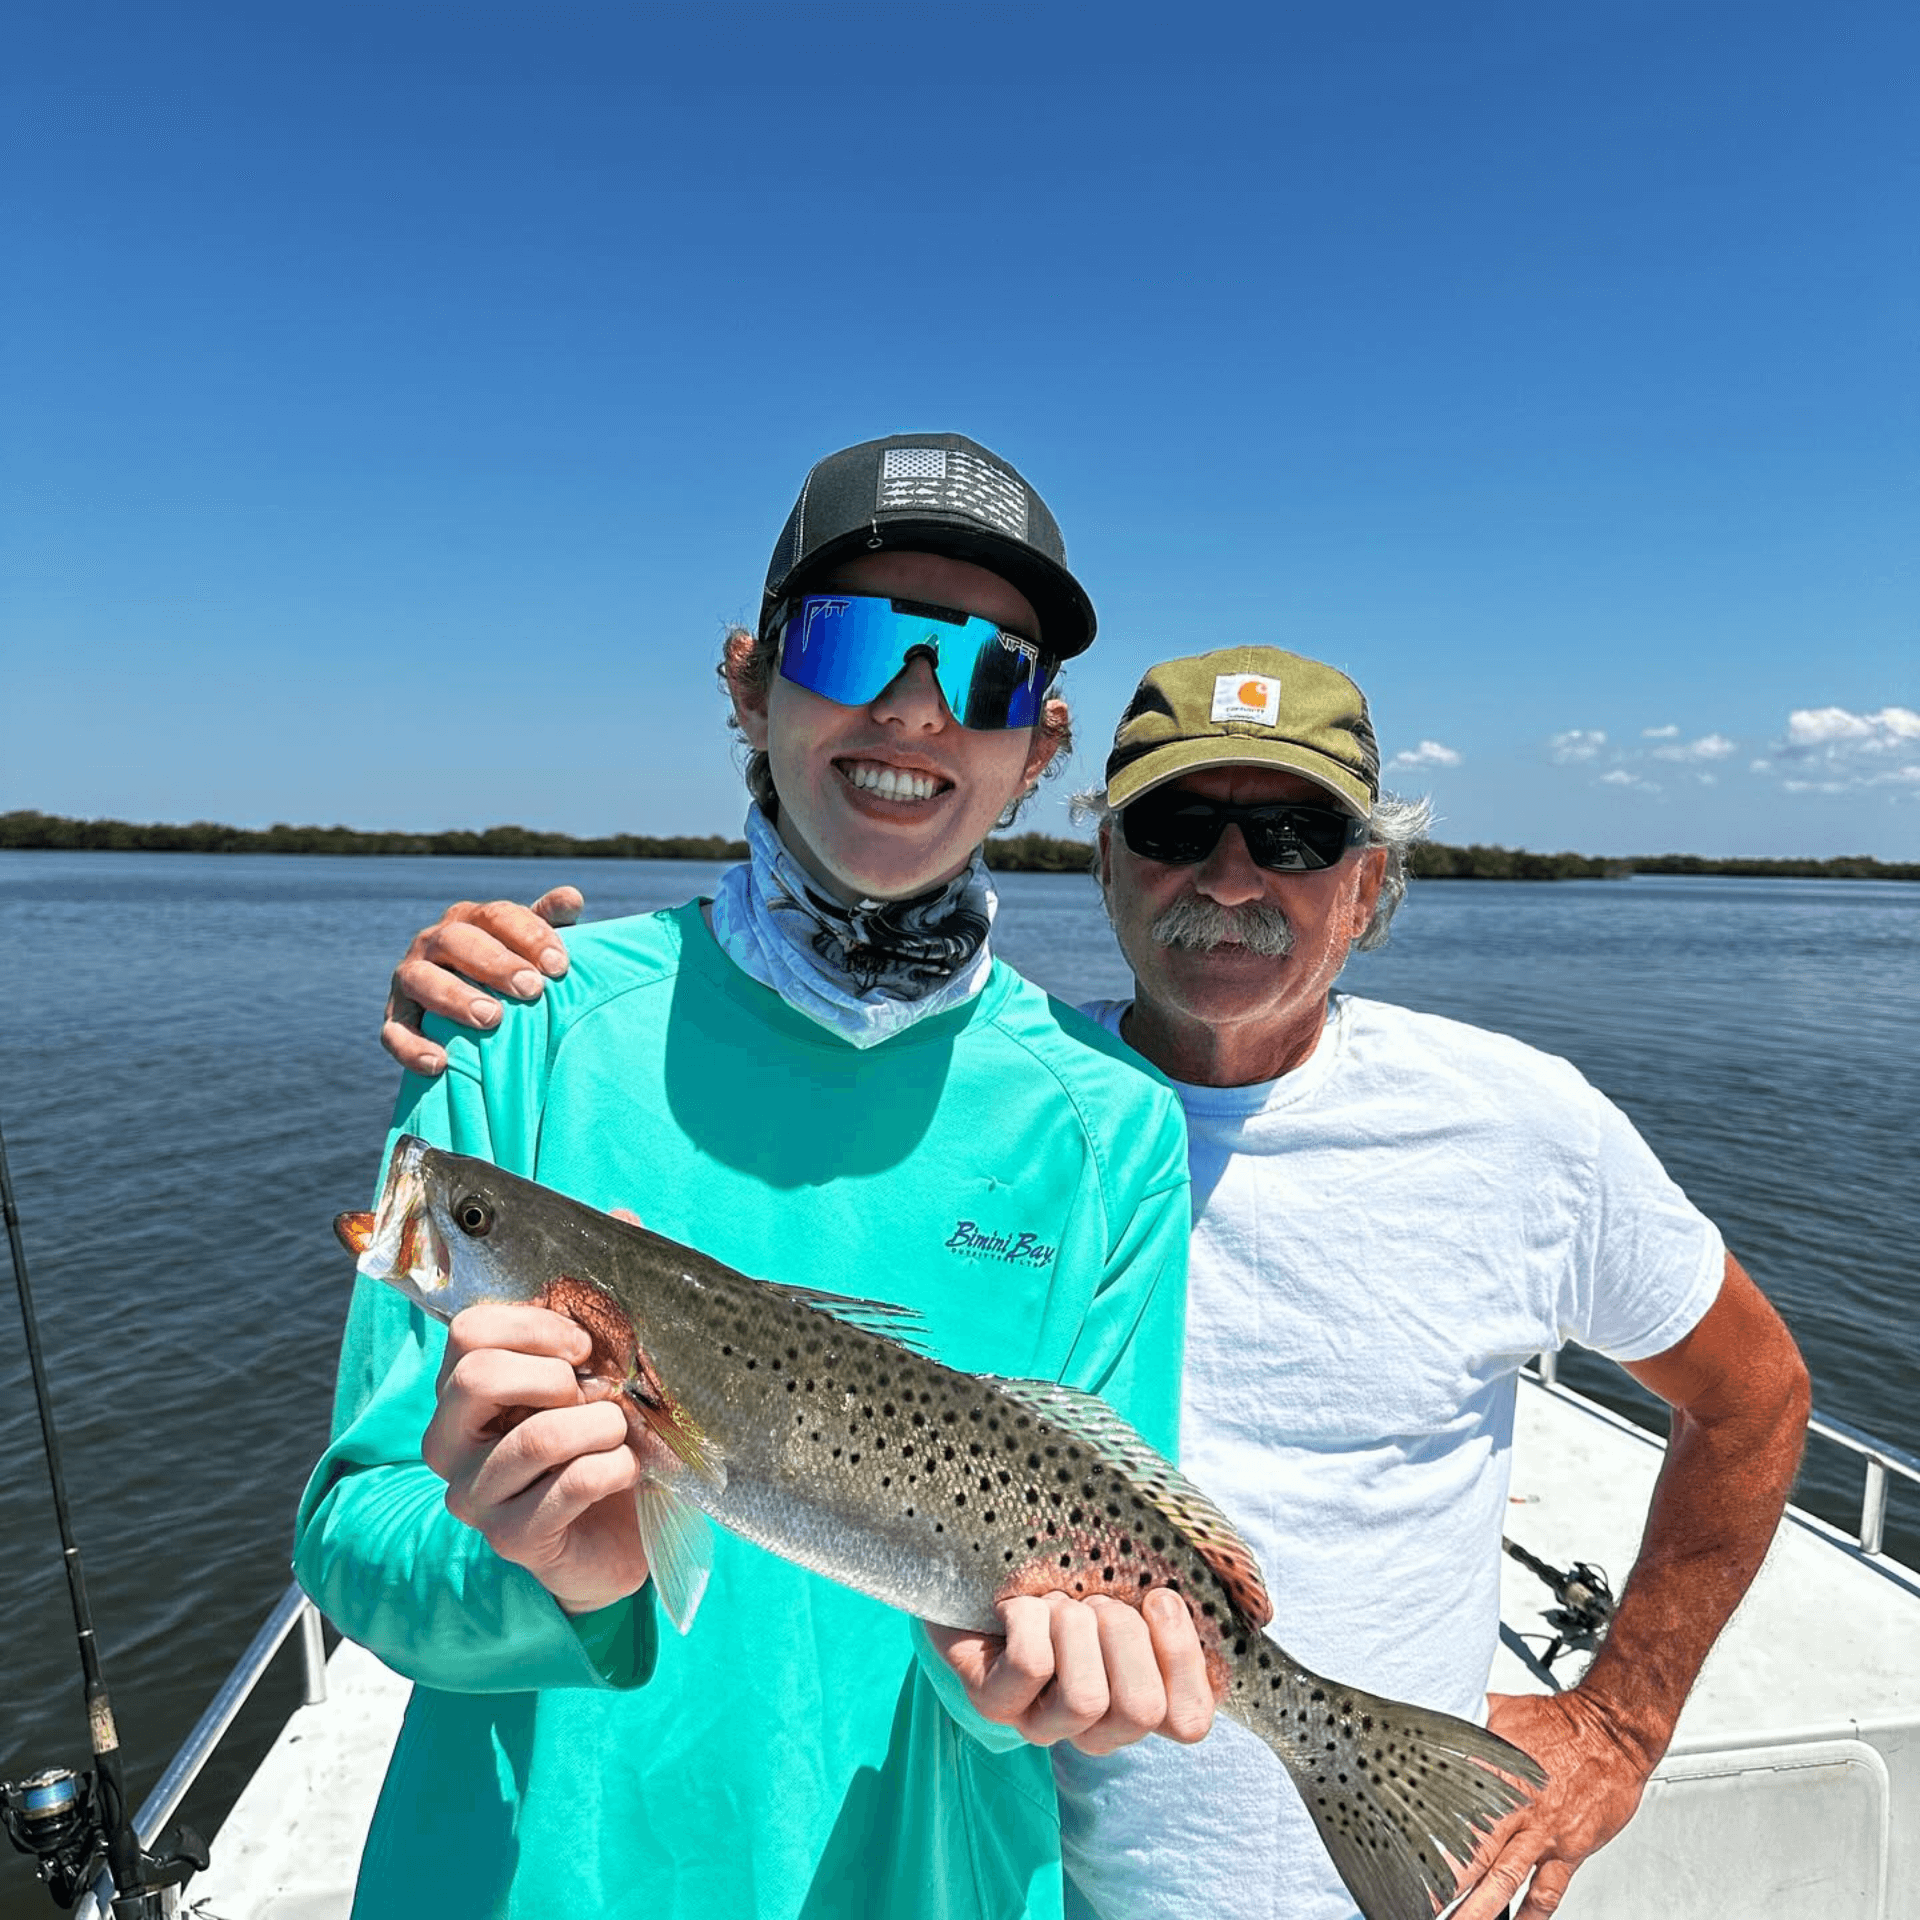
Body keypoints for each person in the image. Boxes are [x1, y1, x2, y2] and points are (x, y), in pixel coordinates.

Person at [388, 644, 1811, 1920]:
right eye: (1180, 827)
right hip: (1058, 1873)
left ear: (1370, 883)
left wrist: (1620, 1727)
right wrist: (529, 997)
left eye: (1300, 834)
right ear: (1109, 862)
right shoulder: (1006, 1105)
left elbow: (1755, 1396)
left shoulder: (1525, 1123)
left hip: (1417, 1865)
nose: (1235, 876)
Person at [295, 432, 1215, 1920]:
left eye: (986, 675)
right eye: (859, 640)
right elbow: (354, 1535)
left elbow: (1086, 1580)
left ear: (1040, 746)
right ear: (750, 678)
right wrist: (543, 1571)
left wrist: (1048, 1685)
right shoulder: (518, 1024)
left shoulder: (1113, 1123)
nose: (915, 708)